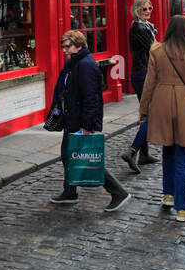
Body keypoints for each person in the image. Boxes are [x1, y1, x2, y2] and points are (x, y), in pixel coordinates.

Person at [139, 15, 185, 222]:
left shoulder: (156, 50)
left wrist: (143, 109)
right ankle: (183, 208)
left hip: (162, 104)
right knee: (182, 158)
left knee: (167, 151)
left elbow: (149, 83)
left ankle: (168, 194)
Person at [50, 30, 130, 211]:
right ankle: (69, 193)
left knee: (88, 158)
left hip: (80, 120)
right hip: (71, 117)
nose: (64, 49)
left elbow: (91, 98)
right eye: (63, 46)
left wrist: (86, 126)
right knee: (67, 155)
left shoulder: (85, 65)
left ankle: (118, 192)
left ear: (79, 45)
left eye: (67, 46)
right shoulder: (74, 63)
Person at [121, 0, 159, 174]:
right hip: (142, 74)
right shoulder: (138, 28)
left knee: (146, 112)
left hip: (143, 72)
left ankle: (144, 154)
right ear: (137, 10)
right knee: (151, 114)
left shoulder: (146, 27)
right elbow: (153, 49)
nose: (148, 11)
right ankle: (132, 151)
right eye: (145, 9)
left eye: (150, 8)